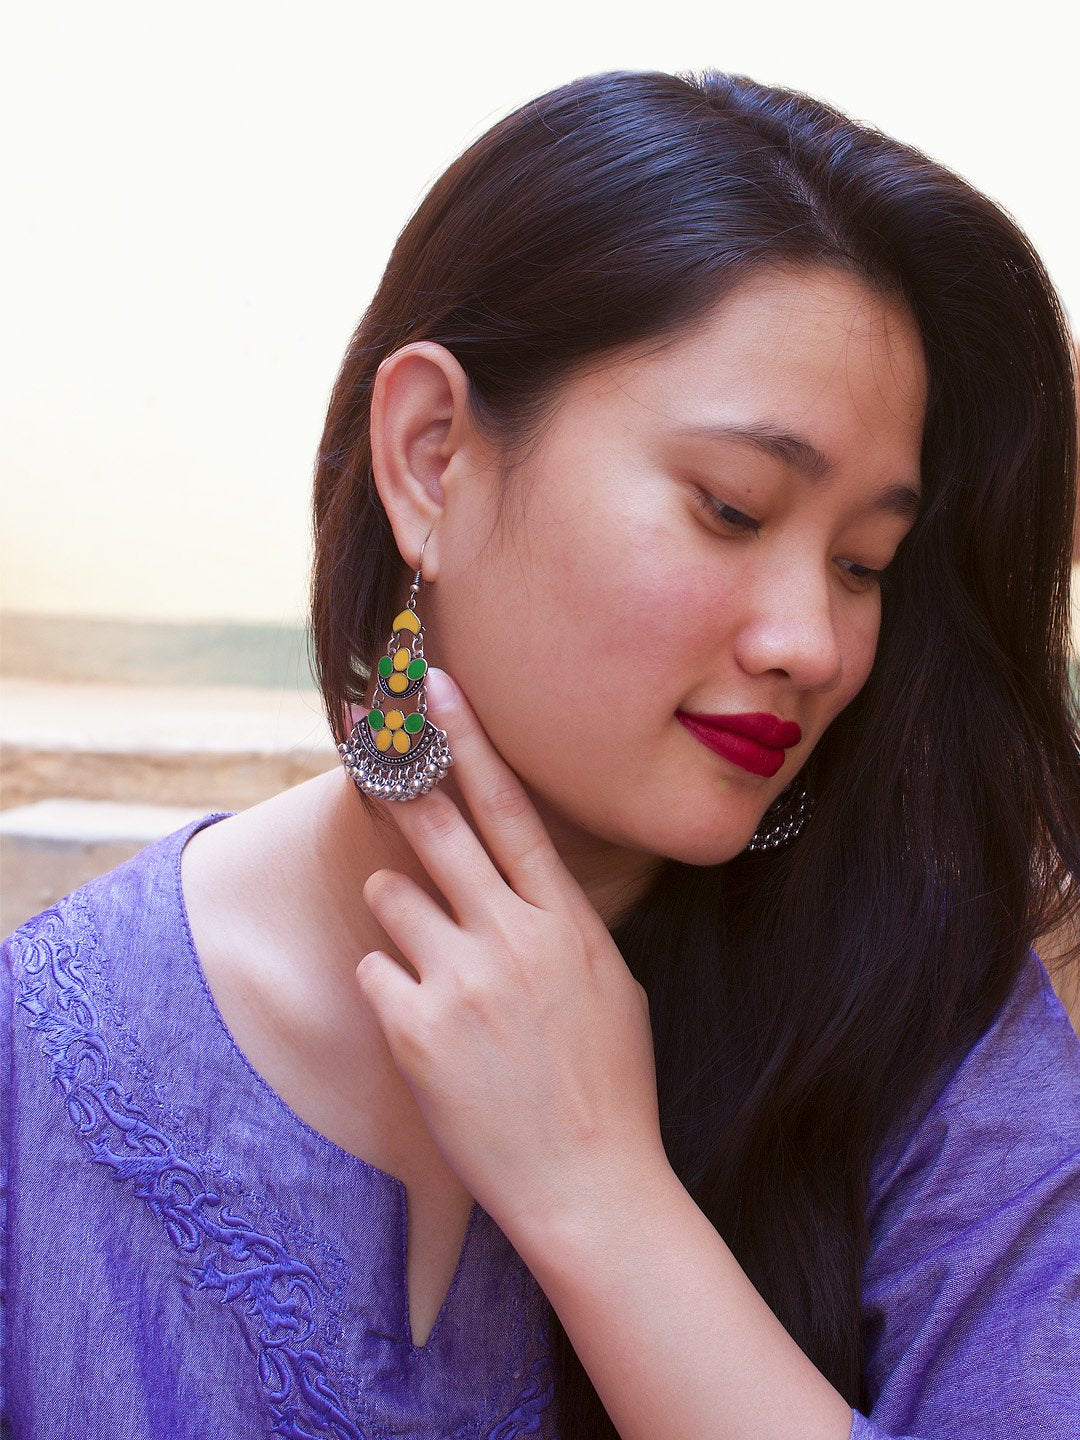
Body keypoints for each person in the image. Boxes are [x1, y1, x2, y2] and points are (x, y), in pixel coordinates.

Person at [2, 68, 1078, 1440]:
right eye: (733, 508)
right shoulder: (44, 1067)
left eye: (865, 563)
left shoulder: (937, 1036)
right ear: (431, 457)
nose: (812, 642)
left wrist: (603, 1198)